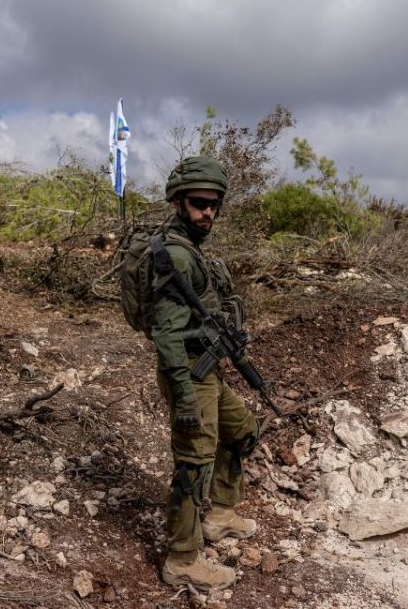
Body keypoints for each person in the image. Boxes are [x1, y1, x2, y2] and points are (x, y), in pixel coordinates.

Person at [151, 156, 258, 591]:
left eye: (215, 205)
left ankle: (220, 515)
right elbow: (166, 334)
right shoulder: (176, 254)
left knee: (241, 430)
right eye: (199, 204)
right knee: (193, 463)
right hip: (187, 374)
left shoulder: (191, 247)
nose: (208, 212)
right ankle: (181, 559)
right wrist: (185, 397)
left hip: (206, 369)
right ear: (179, 203)